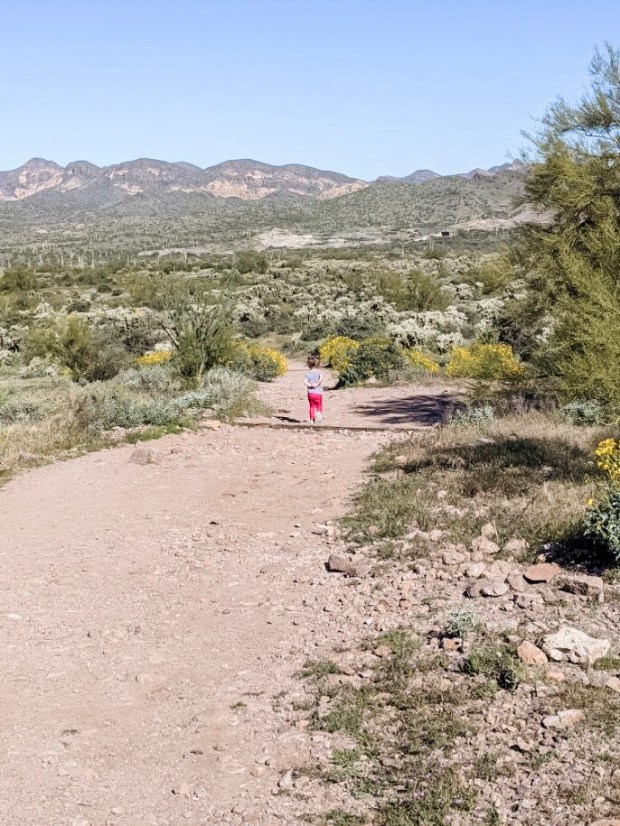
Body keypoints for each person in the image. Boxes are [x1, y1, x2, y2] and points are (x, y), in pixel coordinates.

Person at [304, 355, 324, 423]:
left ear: (308, 364)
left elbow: (305, 382)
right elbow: (321, 377)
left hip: (310, 393)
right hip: (318, 392)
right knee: (319, 405)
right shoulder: (318, 372)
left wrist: (310, 385)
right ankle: (318, 414)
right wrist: (317, 383)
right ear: (316, 363)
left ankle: (312, 419)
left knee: (312, 406)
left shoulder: (307, 373)